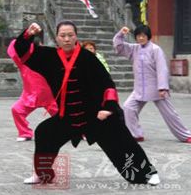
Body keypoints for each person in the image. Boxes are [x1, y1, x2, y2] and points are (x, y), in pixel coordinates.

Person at [14, 21, 159, 185]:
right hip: (67, 117)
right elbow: (23, 53)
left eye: (70, 35)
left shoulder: (88, 58)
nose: (67, 39)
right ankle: (43, 174)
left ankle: (146, 173)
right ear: (57, 38)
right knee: (44, 133)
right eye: (63, 36)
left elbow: (107, 84)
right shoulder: (49, 57)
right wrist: (28, 34)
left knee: (121, 140)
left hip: (95, 115)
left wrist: (108, 108)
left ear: (76, 37)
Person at [113, 25, 191, 143]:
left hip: (156, 88)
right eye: (138, 36)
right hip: (139, 88)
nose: (141, 38)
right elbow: (119, 47)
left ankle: (185, 136)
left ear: (148, 36)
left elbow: (162, 69)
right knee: (128, 107)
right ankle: (136, 134)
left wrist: (162, 87)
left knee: (170, 114)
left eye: (143, 36)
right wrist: (121, 34)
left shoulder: (156, 49)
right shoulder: (134, 49)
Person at [8, 33, 58, 142]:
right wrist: (26, 36)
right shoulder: (23, 60)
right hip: (30, 95)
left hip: (50, 96)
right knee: (17, 110)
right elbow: (14, 46)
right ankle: (25, 133)